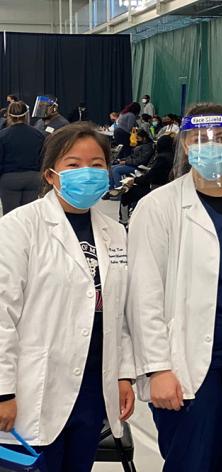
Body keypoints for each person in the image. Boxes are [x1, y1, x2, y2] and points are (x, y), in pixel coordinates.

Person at [127, 102, 222, 471]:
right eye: (200, 139)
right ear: (186, 145)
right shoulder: (158, 206)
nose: (211, 145)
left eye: (221, 138)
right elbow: (144, 295)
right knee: (191, 462)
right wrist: (157, 368)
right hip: (185, 365)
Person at [0, 122, 135, 470]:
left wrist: (123, 375)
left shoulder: (115, 233)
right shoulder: (19, 228)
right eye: (73, 165)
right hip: (32, 389)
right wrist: (3, 391)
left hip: (91, 389)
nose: (86, 173)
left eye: (96, 164)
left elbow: (120, 314)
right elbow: (2, 316)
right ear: (50, 174)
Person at [0, 101, 45, 213]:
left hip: (9, 179)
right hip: (33, 178)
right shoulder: (38, 135)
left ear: (9, 115)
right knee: (29, 215)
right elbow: (43, 158)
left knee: (11, 216)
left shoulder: (2, 135)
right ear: (26, 115)